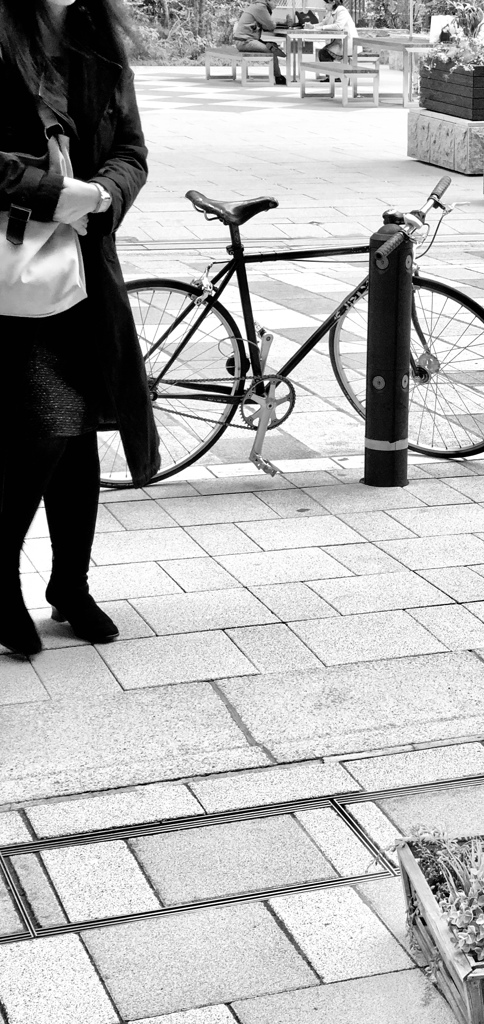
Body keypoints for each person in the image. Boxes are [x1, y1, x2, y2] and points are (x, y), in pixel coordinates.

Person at [0, 0, 160, 657]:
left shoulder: (98, 39)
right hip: (9, 276)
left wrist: (103, 195)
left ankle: (70, 586)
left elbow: (131, 150)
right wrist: (48, 192)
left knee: (80, 431)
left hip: (83, 270)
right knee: (52, 424)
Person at [233, 0, 288, 84]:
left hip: (246, 40)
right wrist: (281, 22)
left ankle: (278, 73)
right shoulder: (261, 7)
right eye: (275, 2)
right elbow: (270, 25)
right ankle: (278, 77)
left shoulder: (258, 5)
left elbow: (267, 25)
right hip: (245, 41)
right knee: (271, 50)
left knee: (273, 45)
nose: (276, 4)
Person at [311, 0, 356, 68]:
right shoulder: (331, 12)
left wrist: (321, 28)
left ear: (333, 2)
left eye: (326, 3)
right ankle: (332, 77)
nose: (325, 5)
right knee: (323, 52)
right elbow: (323, 23)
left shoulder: (341, 10)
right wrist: (313, 26)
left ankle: (334, 77)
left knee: (324, 53)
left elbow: (338, 26)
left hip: (347, 43)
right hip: (339, 42)